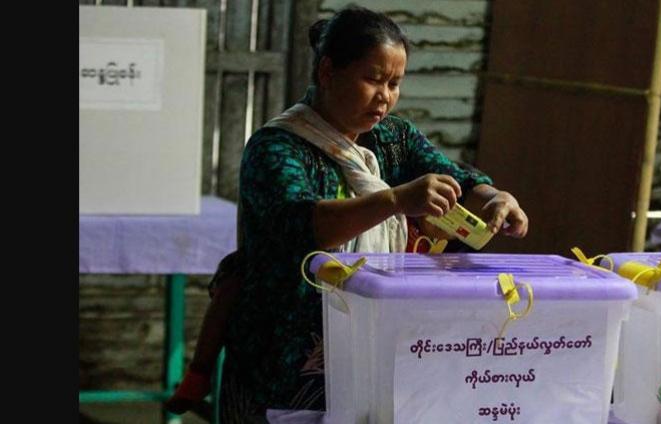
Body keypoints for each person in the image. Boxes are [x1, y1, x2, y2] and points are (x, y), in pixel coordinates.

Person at [167, 6, 528, 422]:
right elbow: (302, 225)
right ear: (327, 71)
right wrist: (394, 201)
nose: (385, 96)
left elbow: (458, 178)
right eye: (372, 79)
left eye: (394, 83)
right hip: (284, 358)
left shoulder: (393, 138)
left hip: (371, 351)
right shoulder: (276, 148)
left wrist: (495, 196)